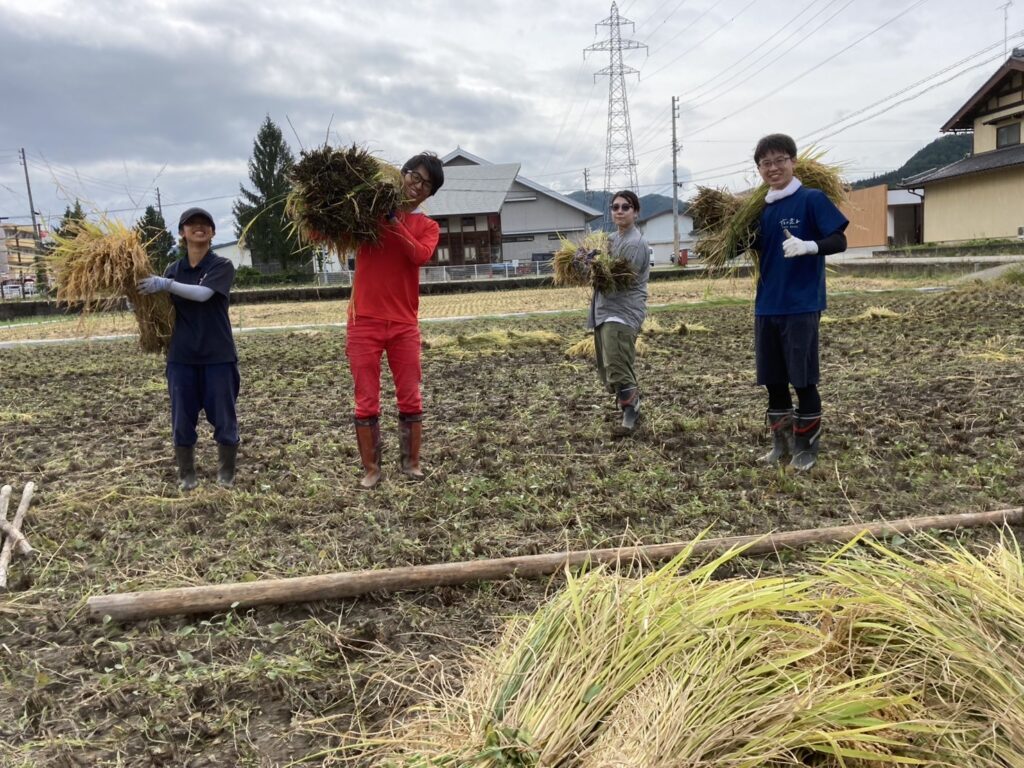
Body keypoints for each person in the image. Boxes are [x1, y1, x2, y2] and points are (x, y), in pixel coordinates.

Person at [347, 152, 444, 489]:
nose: (416, 185)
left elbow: (418, 254)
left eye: (426, 184)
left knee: (410, 396)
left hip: (404, 324)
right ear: (402, 175)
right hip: (364, 321)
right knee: (366, 398)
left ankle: (411, 463)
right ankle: (371, 469)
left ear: (431, 194)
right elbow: (325, 234)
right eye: (413, 176)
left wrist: (394, 221)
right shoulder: (368, 215)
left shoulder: (427, 226)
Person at [752, 134, 848, 471]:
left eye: (780, 160)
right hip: (767, 305)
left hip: (801, 303)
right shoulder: (760, 207)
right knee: (773, 379)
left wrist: (809, 246)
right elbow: (739, 244)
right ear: (759, 169)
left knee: (803, 378)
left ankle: (807, 449)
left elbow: (839, 239)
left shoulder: (811, 199)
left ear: (793, 162)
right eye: (766, 163)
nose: (773, 167)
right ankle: (782, 445)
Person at [137, 207, 239, 490]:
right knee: (182, 419)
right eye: (191, 224)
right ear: (181, 233)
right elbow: (160, 312)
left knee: (224, 417)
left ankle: (226, 474)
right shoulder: (174, 269)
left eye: (205, 224)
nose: (199, 227)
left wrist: (166, 284)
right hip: (181, 357)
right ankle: (186, 474)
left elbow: (203, 295)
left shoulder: (221, 266)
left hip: (218, 355)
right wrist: (138, 296)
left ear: (213, 233)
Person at [587, 190, 651, 436]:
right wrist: (584, 259)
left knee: (617, 362)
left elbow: (616, 280)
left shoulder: (635, 243)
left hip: (623, 311)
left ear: (635, 212)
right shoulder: (610, 240)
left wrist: (593, 267)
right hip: (605, 310)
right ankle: (629, 405)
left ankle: (631, 411)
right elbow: (597, 268)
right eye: (615, 207)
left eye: (626, 207)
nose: (620, 211)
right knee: (610, 363)